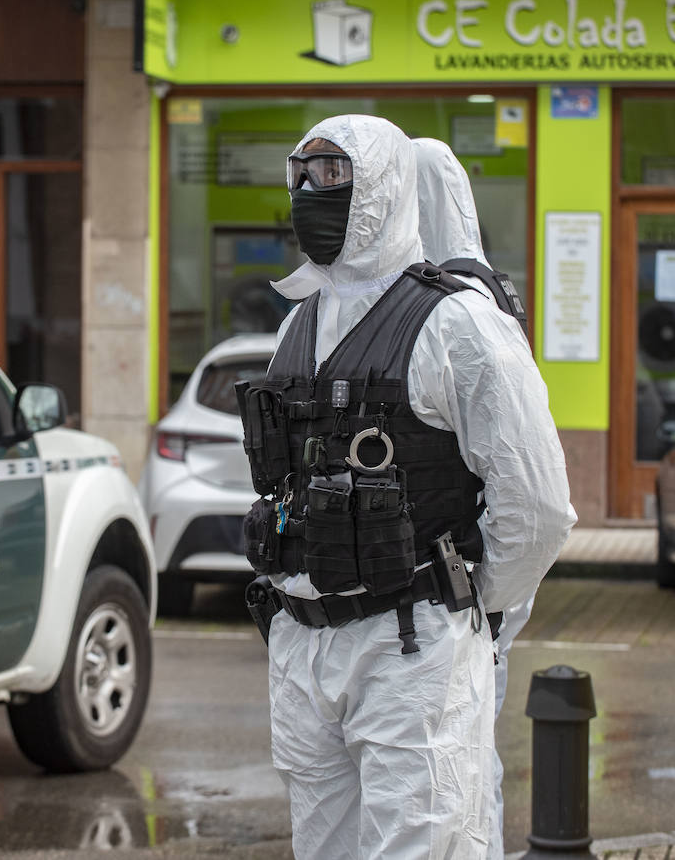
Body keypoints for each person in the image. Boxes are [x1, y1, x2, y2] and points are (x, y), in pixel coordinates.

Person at [240, 115, 575, 858]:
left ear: (386, 188)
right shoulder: (300, 321)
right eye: (303, 175)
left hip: (410, 645)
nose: (312, 194)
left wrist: (469, 602)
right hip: (304, 644)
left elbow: (540, 505)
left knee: (425, 841)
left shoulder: (457, 326)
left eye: (335, 177)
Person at [413, 135, 543, 858]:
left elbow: (530, 501)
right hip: (439, 614)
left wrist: (479, 606)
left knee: (457, 793)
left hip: (450, 612)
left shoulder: (468, 316)